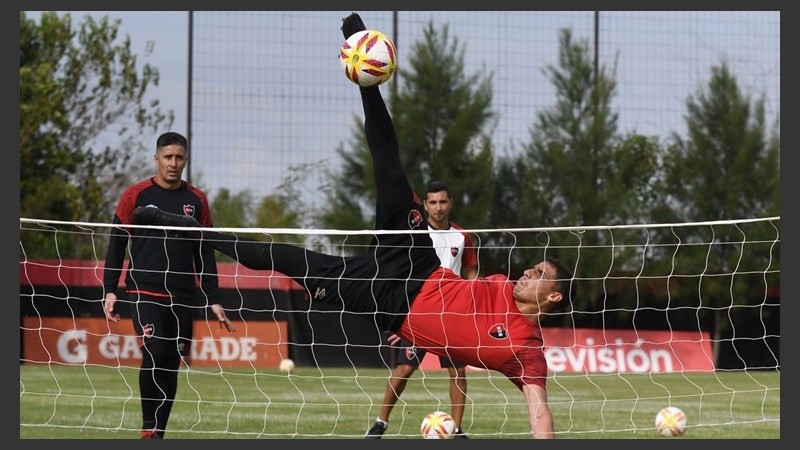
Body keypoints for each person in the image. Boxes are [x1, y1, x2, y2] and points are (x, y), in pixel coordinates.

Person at [132, 13, 575, 439]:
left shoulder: (527, 351)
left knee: (286, 258)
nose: (526, 272)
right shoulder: (500, 286)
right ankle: (363, 60)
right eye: (532, 267)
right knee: (390, 169)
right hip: (418, 265)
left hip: (385, 302)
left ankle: (181, 226)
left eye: (538, 274)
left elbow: (538, 408)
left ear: (553, 296)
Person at [102, 131, 235, 440]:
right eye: (168, 157)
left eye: (179, 158)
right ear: (157, 159)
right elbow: (116, 244)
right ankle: (148, 427)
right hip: (143, 291)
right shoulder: (135, 195)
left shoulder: (196, 200)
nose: (173, 163)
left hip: (182, 295)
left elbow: (205, 251)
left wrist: (214, 298)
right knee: (155, 350)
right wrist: (109, 289)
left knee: (171, 363)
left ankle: (159, 434)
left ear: (185, 160)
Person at [366, 181, 478, 439]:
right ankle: (380, 422)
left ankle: (456, 429)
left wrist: (471, 300)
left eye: (443, 202)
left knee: (458, 371)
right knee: (404, 369)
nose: (438, 207)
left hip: (451, 315)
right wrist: (399, 317)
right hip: (419, 312)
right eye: (433, 202)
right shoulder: (415, 234)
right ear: (425, 205)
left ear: (450, 203)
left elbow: (471, 270)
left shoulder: (462, 236)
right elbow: (399, 273)